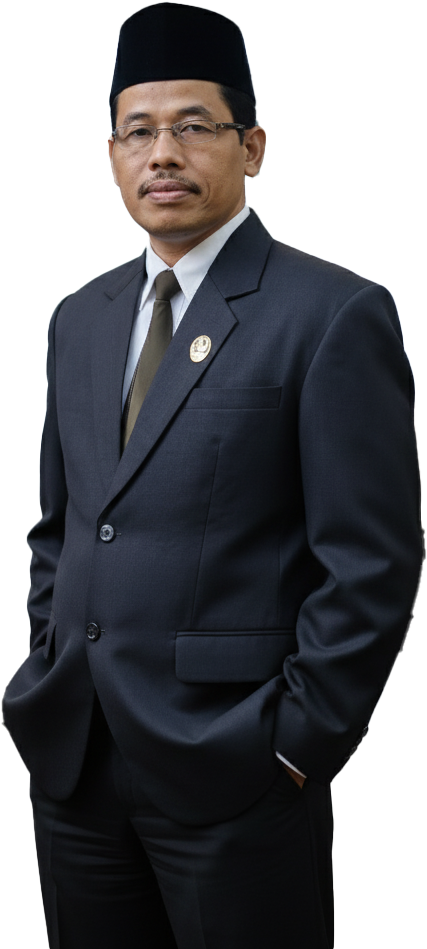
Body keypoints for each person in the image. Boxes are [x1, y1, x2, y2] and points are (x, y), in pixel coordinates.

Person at [2, 4, 422, 948]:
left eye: (193, 125)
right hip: (76, 761)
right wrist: (48, 664)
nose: (163, 153)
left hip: (236, 766)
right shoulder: (80, 316)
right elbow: (62, 527)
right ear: (112, 154)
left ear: (251, 146)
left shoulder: (330, 313)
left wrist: (296, 745)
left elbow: (370, 562)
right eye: (138, 131)